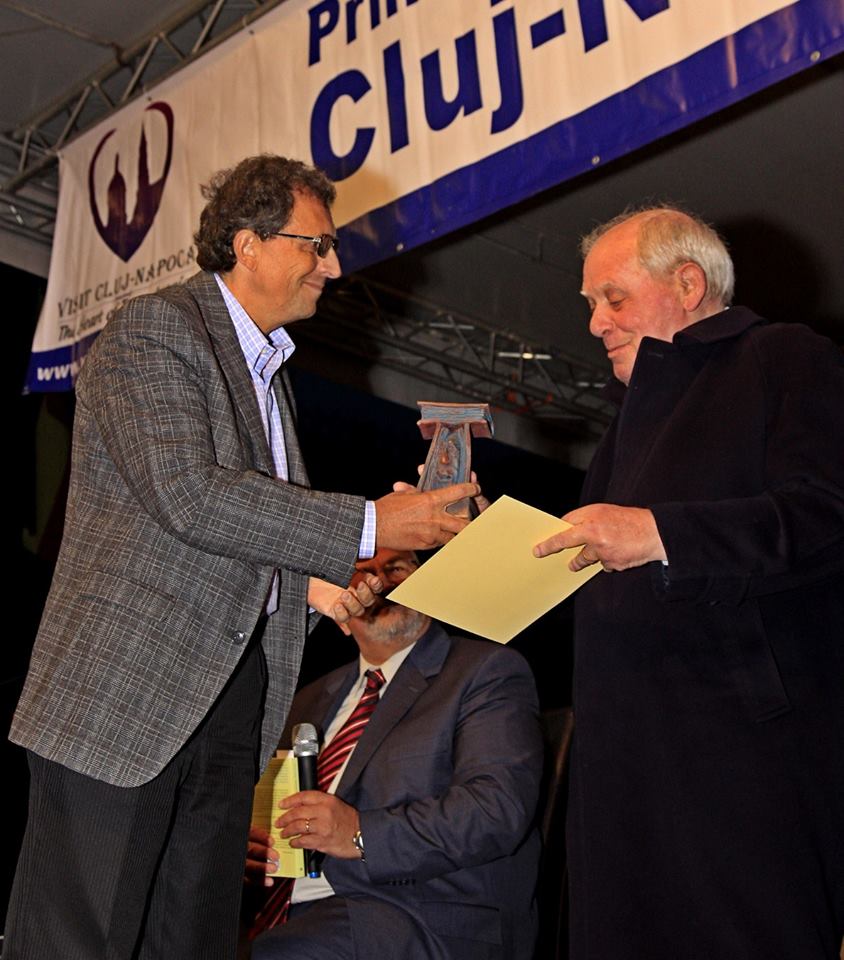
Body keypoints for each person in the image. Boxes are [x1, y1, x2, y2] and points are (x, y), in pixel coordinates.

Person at [5, 155, 480, 960]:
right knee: (80, 944)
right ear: (248, 243)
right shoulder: (156, 328)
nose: (333, 267)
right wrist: (373, 522)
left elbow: (235, 534)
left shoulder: (271, 377)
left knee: (191, 942)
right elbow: (188, 496)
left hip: (232, 700)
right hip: (129, 697)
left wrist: (311, 588)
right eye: (316, 245)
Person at [533, 206, 844, 958]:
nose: (596, 323)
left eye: (613, 298)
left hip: (738, 760)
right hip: (620, 769)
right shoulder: (623, 432)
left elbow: (828, 514)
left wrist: (660, 534)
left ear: (689, 284)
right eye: (590, 305)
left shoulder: (782, 356)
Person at [246, 548, 543, 960]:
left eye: (397, 568)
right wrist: (252, 848)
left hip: (417, 918)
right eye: (363, 574)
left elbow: (495, 810)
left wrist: (359, 833)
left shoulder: (484, 671)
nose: (381, 584)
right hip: (282, 912)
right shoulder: (306, 700)